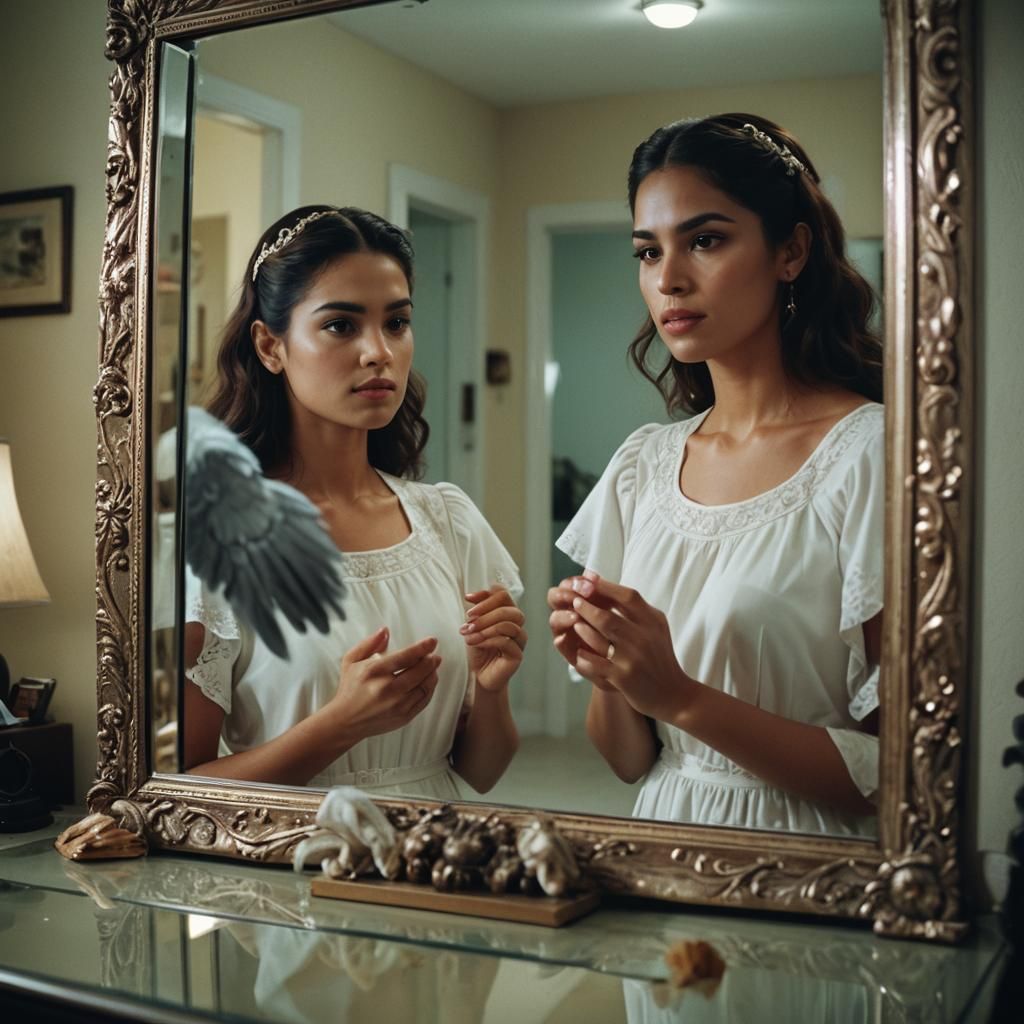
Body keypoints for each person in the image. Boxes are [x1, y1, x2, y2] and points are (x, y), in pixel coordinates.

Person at [548, 114, 884, 837]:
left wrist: (680, 696)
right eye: (647, 251)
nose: (668, 278)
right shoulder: (644, 465)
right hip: (666, 839)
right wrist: (612, 672)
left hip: (812, 860)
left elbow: (898, 772)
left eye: (705, 240)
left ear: (790, 251)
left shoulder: (867, 453)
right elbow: (629, 758)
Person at [183, 205, 525, 798]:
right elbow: (178, 792)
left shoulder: (447, 519)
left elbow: (481, 771)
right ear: (270, 346)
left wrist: (491, 688)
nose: (379, 352)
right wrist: (340, 724)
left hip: (430, 862)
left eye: (397, 323)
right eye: (341, 325)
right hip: (291, 874)